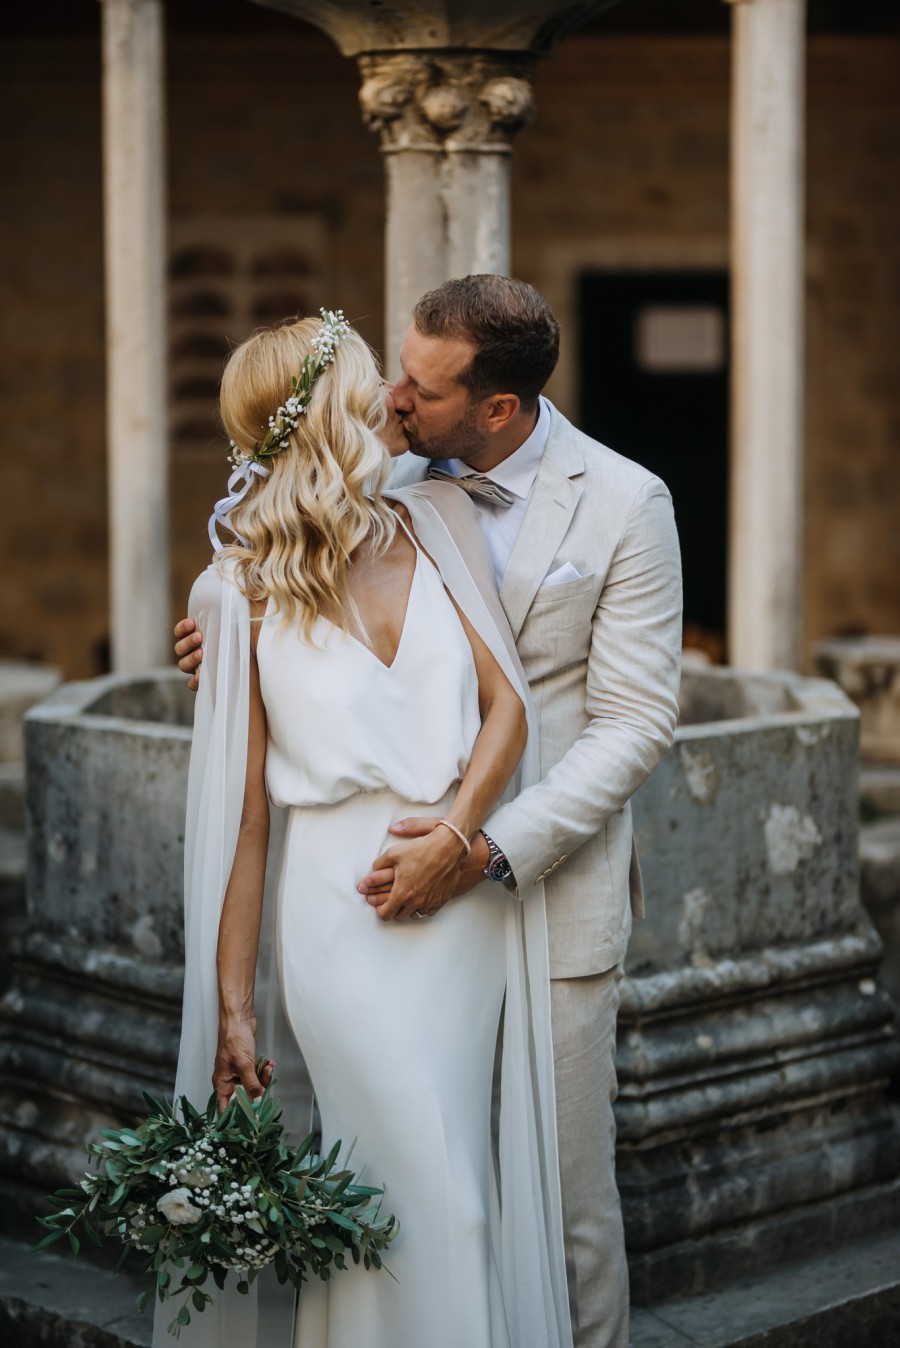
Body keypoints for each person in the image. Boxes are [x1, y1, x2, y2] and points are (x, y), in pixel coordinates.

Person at [175, 277, 683, 1348]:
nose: (397, 397)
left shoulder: (626, 502)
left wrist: (476, 843)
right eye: (390, 371)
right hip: (354, 904)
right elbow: (286, 585)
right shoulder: (391, 482)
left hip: (535, 883)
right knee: (418, 1186)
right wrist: (222, 661)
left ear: (495, 407)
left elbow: (635, 723)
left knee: (564, 1204)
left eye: (421, 384)